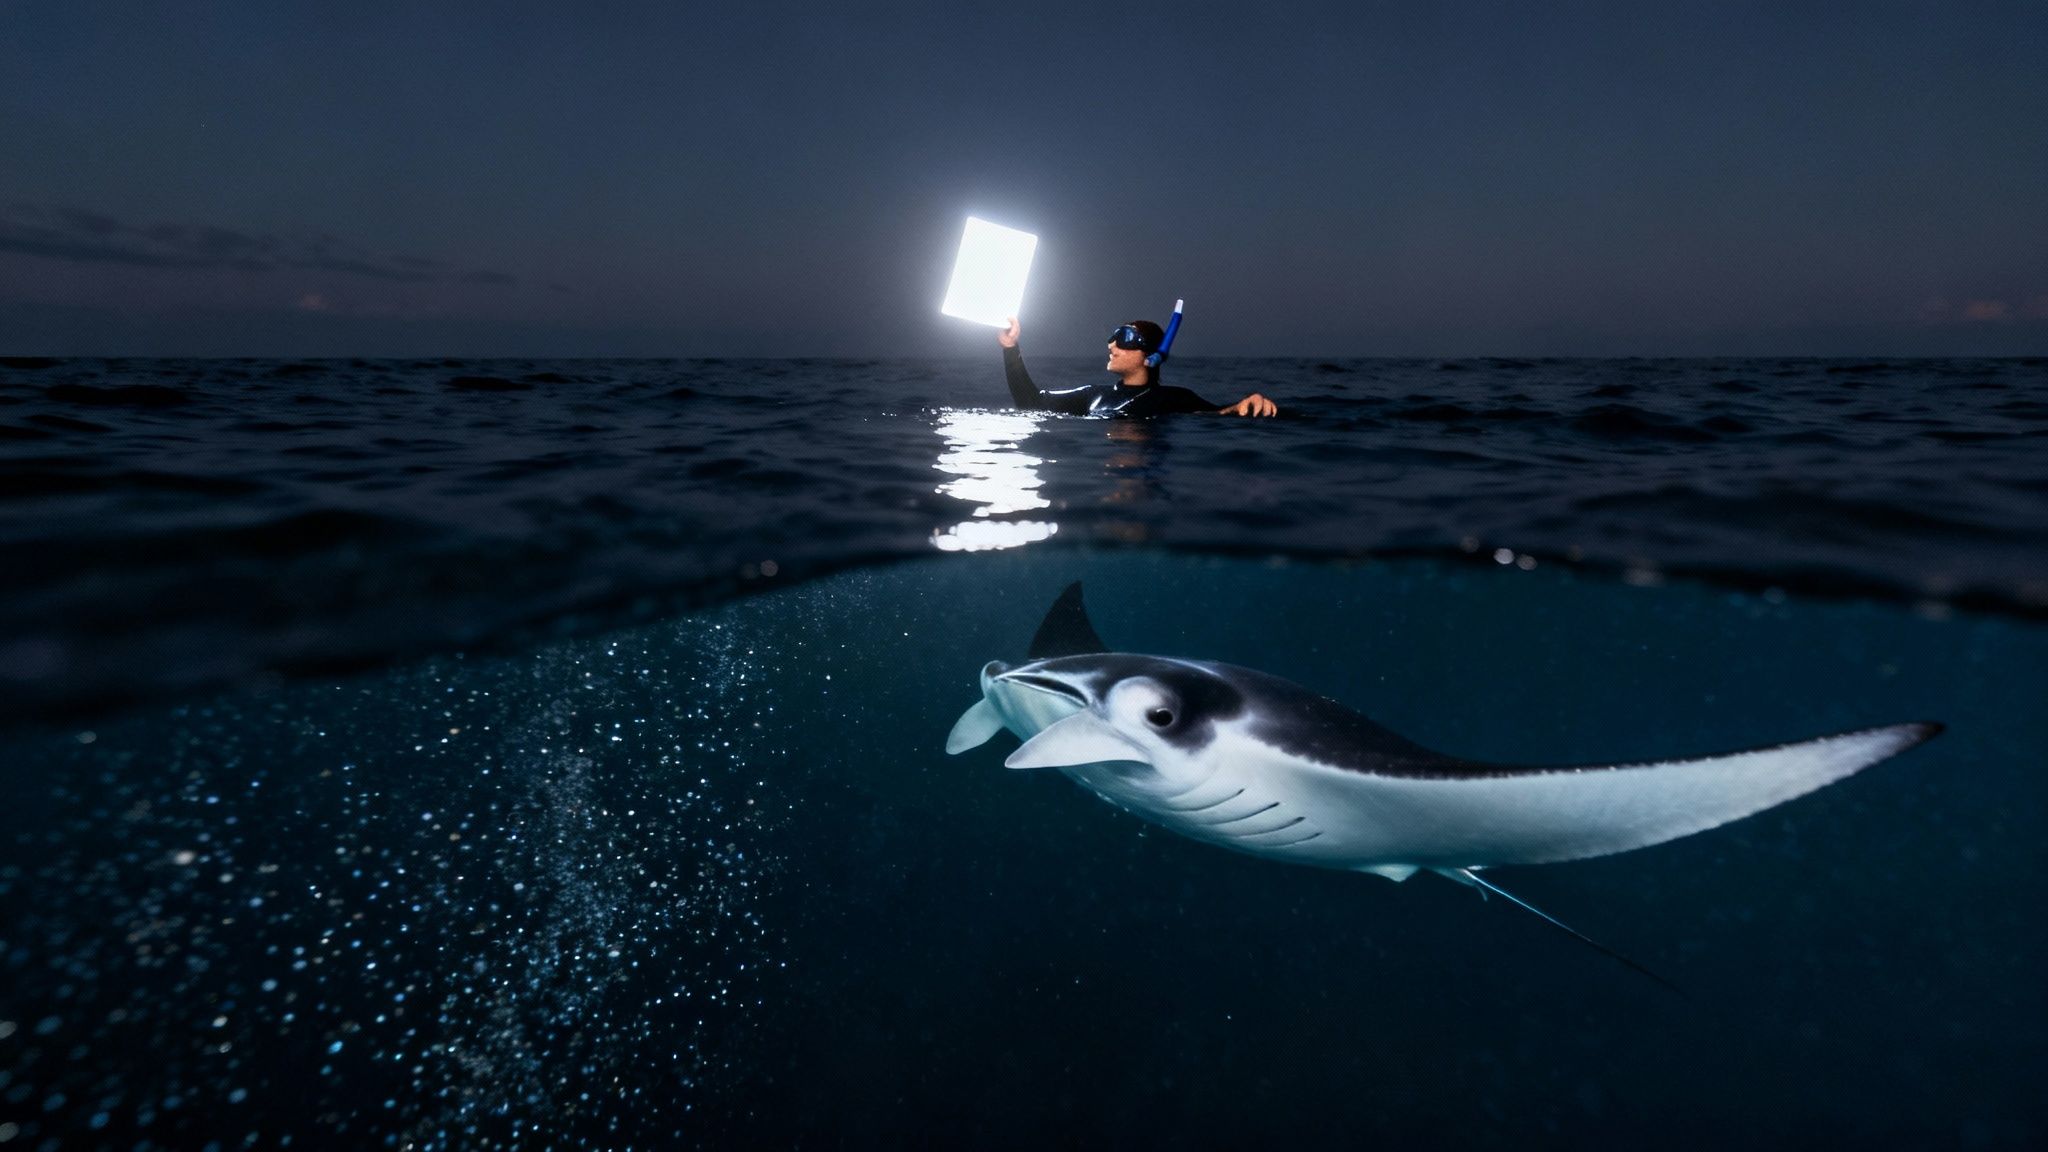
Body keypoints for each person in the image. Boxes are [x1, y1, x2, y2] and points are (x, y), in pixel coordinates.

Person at [998, 316, 1278, 417]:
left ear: (1150, 356)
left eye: (1124, 338)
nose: (1111, 345)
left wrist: (1247, 403)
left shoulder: (1174, 398)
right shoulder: (1092, 396)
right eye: (1112, 337)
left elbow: (1221, 414)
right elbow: (1030, 402)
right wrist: (1010, 348)